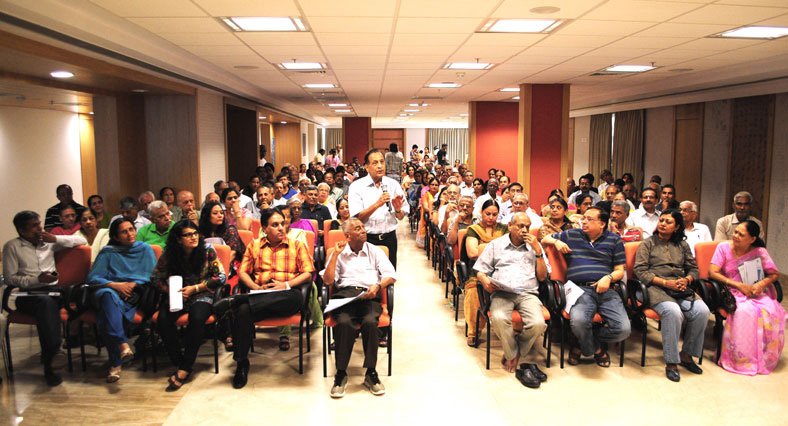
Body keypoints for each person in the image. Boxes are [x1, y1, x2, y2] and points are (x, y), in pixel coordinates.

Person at [212, 209, 314, 389]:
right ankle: (242, 363)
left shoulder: (297, 245)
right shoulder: (255, 245)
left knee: (296, 298)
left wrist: (286, 285)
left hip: (286, 295)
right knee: (243, 312)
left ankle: (238, 300)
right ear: (265, 228)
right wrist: (255, 287)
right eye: (275, 225)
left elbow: (308, 272)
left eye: (282, 224)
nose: (281, 228)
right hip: (260, 293)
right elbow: (243, 272)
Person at [3, 210, 87, 386]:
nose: (40, 228)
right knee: (46, 305)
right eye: (34, 226)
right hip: (28, 294)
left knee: (51, 304)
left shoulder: (48, 242)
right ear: (22, 230)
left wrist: (55, 238)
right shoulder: (12, 246)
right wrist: (37, 280)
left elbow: (81, 240)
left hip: (53, 291)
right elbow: (10, 279)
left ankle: (52, 358)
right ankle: (54, 356)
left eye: (39, 223)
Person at [541, 207, 630, 367]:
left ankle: (581, 342)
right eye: (584, 218)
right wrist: (556, 241)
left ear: (602, 224)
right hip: (579, 290)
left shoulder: (614, 240)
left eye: (589, 219)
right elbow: (544, 239)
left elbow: (619, 271)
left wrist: (608, 278)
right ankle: (597, 350)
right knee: (579, 322)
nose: (584, 222)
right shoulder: (572, 235)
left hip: (607, 289)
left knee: (623, 329)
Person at [322, 219, 396, 398]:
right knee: (344, 322)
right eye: (358, 228)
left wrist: (378, 286)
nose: (363, 230)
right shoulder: (337, 252)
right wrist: (335, 256)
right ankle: (341, 373)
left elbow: (391, 275)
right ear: (348, 236)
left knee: (370, 322)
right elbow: (328, 281)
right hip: (345, 296)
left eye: (363, 227)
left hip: (369, 295)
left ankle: (371, 372)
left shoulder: (375, 250)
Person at [633, 209, 709, 382]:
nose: (663, 224)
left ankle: (687, 355)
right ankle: (672, 362)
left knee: (702, 311)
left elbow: (693, 269)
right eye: (661, 220)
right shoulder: (648, 243)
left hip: (680, 287)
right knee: (672, 311)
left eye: (668, 222)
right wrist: (665, 283)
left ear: (677, 227)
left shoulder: (682, 245)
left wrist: (687, 280)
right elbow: (640, 271)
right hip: (655, 287)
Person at [475, 212, 549, 387]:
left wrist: (538, 253)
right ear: (510, 226)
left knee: (538, 323)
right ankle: (513, 354)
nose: (524, 230)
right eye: (520, 226)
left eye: (527, 227)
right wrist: (484, 280)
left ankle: (513, 352)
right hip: (502, 292)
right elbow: (480, 270)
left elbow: (543, 277)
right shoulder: (496, 245)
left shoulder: (535, 246)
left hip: (528, 293)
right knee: (499, 318)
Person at [152, 220, 226, 391]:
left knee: (197, 318)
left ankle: (185, 368)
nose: (193, 237)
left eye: (195, 233)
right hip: (177, 295)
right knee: (163, 319)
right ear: (178, 239)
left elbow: (221, 277)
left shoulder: (207, 250)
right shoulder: (169, 254)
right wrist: (171, 290)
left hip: (202, 293)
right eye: (187, 235)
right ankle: (180, 362)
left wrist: (195, 288)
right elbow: (155, 278)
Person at [708, 220, 784, 375]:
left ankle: (763, 356)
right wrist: (738, 285)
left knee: (771, 311)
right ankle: (740, 358)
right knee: (745, 312)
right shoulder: (723, 247)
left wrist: (761, 284)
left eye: (741, 234)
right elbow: (712, 272)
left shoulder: (759, 252)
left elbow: (774, 274)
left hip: (755, 290)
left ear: (752, 239)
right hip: (731, 290)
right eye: (735, 232)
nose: (735, 235)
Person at [86, 218, 157, 382]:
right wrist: (116, 285)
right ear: (116, 237)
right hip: (109, 289)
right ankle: (123, 345)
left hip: (134, 293)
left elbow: (153, 276)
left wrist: (133, 285)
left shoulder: (144, 249)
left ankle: (115, 363)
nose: (130, 234)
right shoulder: (108, 252)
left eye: (131, 229)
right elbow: (93, 278)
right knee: (107, 296)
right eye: (124, 232)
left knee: (106, 315)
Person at [348, 148, 408, 268]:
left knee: (389, 274)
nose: (380, 166)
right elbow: (357, 218)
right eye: (375, 163)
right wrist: (377, 204)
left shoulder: (393, 184)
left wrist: (397, 210)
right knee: (368, 275)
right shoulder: (356, 186)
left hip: (389, 238)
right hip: (367, 239)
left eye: (382, 162)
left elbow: (401, 217)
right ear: (366, 167)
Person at [462, 199, 508, 346]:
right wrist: (496, 249)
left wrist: (483, 248)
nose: (491, 217)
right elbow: (472, 252)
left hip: (502, 269)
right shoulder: (474, 230)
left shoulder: (505, 229)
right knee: (474, 290)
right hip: (478, 270)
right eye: (488, 214)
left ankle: (511, 330)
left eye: (494, 214)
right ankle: (473, 331)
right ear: (481, 213)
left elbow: (510, 251)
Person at [416, 177, 439, 248]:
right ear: (429, 186)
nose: (434, 186)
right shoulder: (426, 195)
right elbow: (425, 208)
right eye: (432, 184)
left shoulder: (440, 194)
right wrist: (434, 212)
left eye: (436, 185)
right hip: (429, 215)